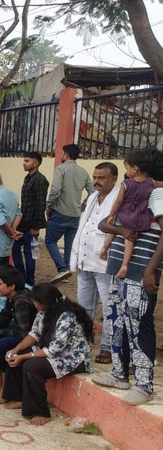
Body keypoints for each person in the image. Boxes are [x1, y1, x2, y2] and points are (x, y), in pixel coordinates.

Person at [93, 150, 163, 406]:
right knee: (117, 318)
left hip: (140, 270)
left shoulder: (157, 194)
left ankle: (144, 384)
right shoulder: (134, 188)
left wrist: (149, 270)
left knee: (139, 322)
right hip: (120, 267)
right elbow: (107, 223)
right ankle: (119, 372)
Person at [1, 284, 93, 426]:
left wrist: (23, 357)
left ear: (45, 302)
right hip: (53, 351)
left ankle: (41, 412)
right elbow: (34, 334)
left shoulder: (67, 317)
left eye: (36, 302)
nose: (34, 304)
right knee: (15, 354)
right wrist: (16, 350)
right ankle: (18, 397)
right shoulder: (44, 311)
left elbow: (54, 350)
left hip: (73, 358)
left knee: (32, 366)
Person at [70, 162, 119, 364]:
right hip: (85, 260)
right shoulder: (91, 197)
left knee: (109, 308)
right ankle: (84, 342)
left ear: (114, 178)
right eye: (95, 177)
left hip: (105, 263)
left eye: (102, 178)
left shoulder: (119, 198)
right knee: (84, 307)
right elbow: (83, 228)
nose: (96, 181)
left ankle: (107, 348)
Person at [0, 266, 36, 395]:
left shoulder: (21, 302)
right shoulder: (11, 298)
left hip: (33, 338)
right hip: (20, 332)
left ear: (12, 286)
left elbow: (24, 333)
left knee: (3, 344)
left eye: (0, 284)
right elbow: (1, 320)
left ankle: (7, 387)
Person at [101, 150, 157, 279]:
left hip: (125, 216)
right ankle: (125, 264)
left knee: (114, 229)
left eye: (127, 168)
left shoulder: (126, 184)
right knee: (129, 240)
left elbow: (119, 201)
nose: (126, 172)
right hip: (141, 218)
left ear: (135, 169)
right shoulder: (151, 182)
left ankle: (105, 249)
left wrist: (111, 215)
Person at [45, 144, 94, 283]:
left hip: (60, 212)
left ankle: (62, 269)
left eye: (61, 153)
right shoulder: (83, 172)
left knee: (50, 240)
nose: (60, 156)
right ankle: (65, 271)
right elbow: (92, 192)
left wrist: (49, 205)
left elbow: (55, 190)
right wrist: (82, 205)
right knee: (69, 244)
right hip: (75, 214)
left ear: (66, 155)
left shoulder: (61, 169)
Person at [13, 152, 50, 287]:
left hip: (31, 224)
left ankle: (29, 281)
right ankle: (21, 276)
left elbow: (40, 204)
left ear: (36, 163)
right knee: (15, 248)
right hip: (23, 222)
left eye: (27, 161)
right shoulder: (28, 178)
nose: (24, 163)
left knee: (30, 253)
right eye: (24, 160)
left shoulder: (40, 180)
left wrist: (36, 227)